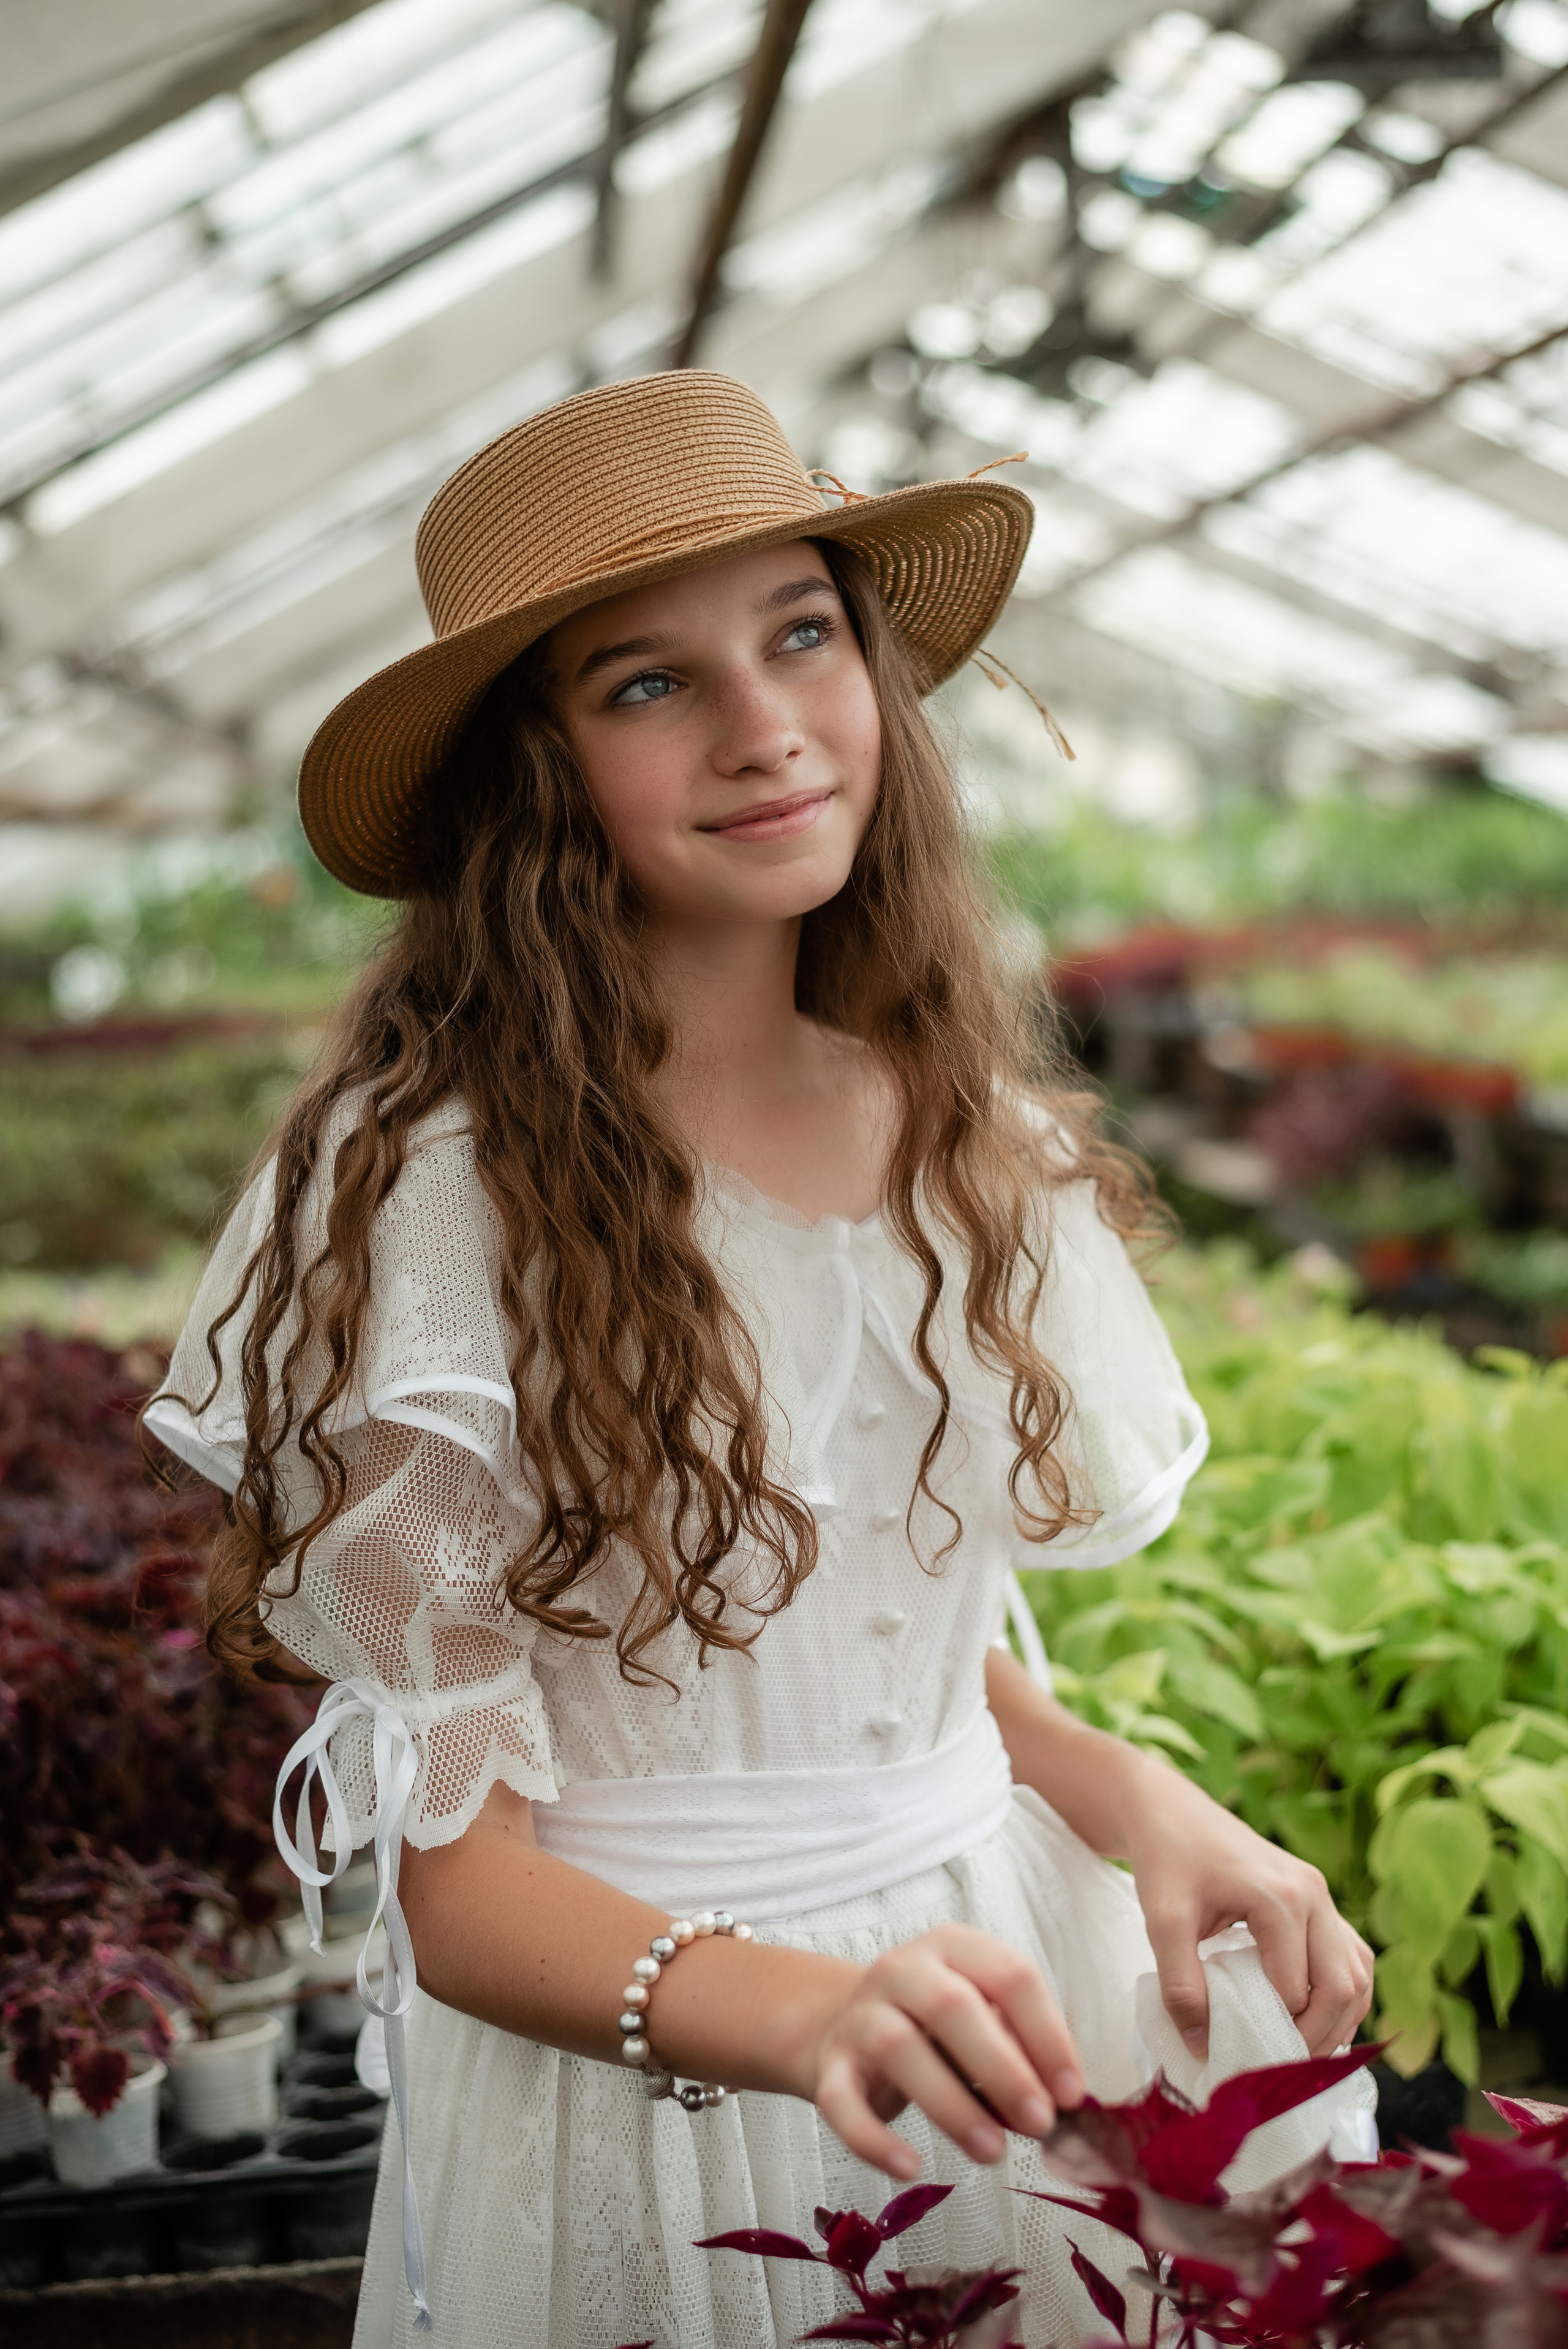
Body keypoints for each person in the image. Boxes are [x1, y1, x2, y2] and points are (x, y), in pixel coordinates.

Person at [148, 371, 1374, 2349]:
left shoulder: (965, 1126)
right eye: (648, 683)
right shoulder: (440, 1203)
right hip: (680, 2067)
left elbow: (837, 1635)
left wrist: (1133, 1792)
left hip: (997, 1952)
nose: (766, 725)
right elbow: (462, 1894)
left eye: (803, 632)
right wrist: (801, 2006)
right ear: (527, 772)